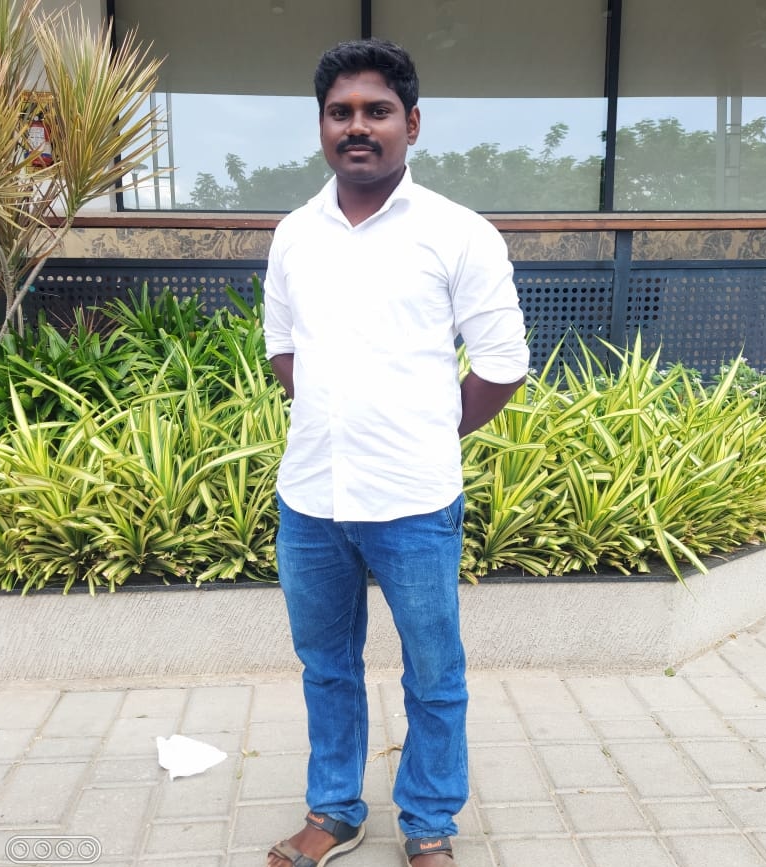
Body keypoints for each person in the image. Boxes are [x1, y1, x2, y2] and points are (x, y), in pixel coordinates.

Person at [263, 38, 529, 867]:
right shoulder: (294, 234)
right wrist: (337, 417)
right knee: (325, 667)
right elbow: (282, 348)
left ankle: (428, 821)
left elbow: (501, 363)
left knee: (433, 671)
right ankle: (335, 810)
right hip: (310, 497)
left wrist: (426, 430)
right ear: (321, 126)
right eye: (339, 112)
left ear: (411, 124)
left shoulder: (457, 233)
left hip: (414, 498)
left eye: (376, 111)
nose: (357, 126)